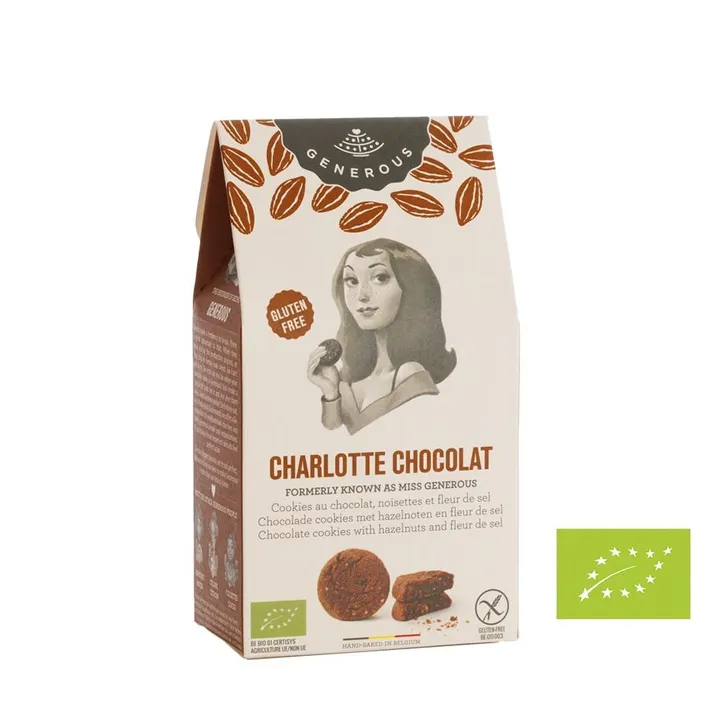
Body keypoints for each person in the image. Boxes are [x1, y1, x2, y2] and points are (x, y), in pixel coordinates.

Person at [307, 238, 456, 435]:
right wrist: (331, 392)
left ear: (409, 287)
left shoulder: (409, 373)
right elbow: (332, 436)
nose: (362, 295)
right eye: (351, 281)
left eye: (380, 278)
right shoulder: (345, 381)